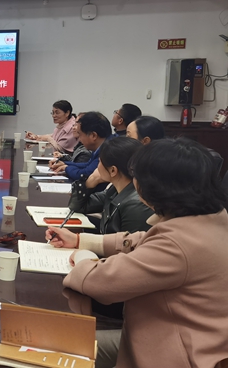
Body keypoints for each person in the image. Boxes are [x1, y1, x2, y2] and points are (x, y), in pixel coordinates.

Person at [46, 138, 228, 368]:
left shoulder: (178, 244)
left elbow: (101, 282)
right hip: (183, 341)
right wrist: (82, 240)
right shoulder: (211, 219)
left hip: (174, 355)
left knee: (49, 344)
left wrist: (83, 257)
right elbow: (141, 239)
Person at [69, 137, 152, 234]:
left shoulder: (135, 205)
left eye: (100, 162)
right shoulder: (115, 190)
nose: (97, 167)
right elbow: (78, 207)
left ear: (113, 170)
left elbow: (129, 242)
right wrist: (89, 182)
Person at [50, 111, 112, 183]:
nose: (79, 139)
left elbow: (85, 174)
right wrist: (65, 164)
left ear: (93, 135)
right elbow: (87, 165)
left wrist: (67, 168)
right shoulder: (101, 146)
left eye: (80, 134)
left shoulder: (108, 151)